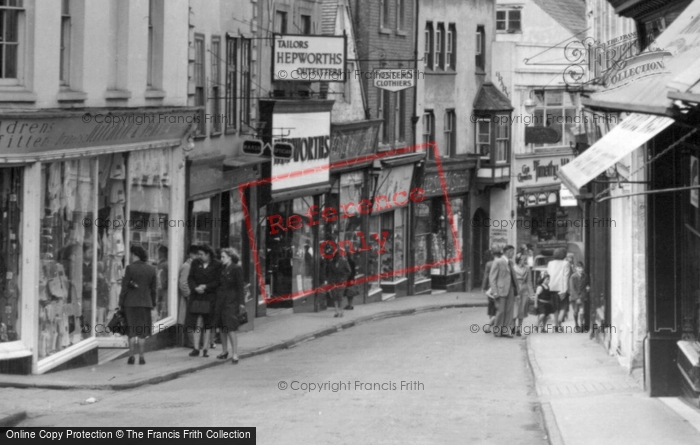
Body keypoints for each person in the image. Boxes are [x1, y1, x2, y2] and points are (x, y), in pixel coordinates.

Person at [118, 245, 157, 365]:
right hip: (145, 304)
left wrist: (120, 303)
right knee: (142, 331)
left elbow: (124, 288)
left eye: (131, 254)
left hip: (130, 303)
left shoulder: (130, 268)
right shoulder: (152, 269)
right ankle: (141, 357)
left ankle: (131, 356)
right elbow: (153, 290)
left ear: (135, 254)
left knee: (131, 331)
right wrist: (153, 304)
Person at [187, 244, 222, 357]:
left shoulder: (217, 264)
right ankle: (196, 348)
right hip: (197, 296)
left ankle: (206, 347)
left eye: (202, 254)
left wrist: (206, 286)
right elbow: (190, 278)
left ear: (208, 254)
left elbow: (218, 281)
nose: (199, 256)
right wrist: (195, 287)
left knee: (208, 323)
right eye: (198, 254)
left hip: (209, 297)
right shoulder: (195, 263)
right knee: (197, 322)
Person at [214, 248, 245, 364]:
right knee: (222, 327)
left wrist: (241, 303)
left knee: (230, 327)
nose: (221, 259)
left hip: (231, 301)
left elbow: (240, 287)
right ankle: (224, 351)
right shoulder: (222, 268)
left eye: (223, 257)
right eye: (221, 257)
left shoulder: (236, 268)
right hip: (221, 300)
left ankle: (235, 353)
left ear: (230, 257)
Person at [489, 245, 517, 338]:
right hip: (500, 290)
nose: (513, 254)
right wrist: (494, 291)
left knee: (509, 311)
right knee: (501, 311)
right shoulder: (498, 262)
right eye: (512, 252)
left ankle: (506, 331)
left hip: (511, 289)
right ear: (508, 251)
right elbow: (492, 278)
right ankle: (497, 330)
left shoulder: (511, 262)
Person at [177, 245, 199, 348]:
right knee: (189, 320)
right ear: (191, 254)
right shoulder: (187, 266)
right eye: (196, 254)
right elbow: (183, 283)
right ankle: (192, 343)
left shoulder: (194, 265)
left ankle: (194, 343)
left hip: (194, 298)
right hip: (189, 299)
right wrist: (189, 296)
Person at [547, 247, 571, 332]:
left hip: (552, 288)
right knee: (563, 307)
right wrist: (565, 290)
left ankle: (556, 325)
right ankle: (559, 324)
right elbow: (566, 277)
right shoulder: (566, 263)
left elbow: (548, 275)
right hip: (562, 288)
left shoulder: (550, 263)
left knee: (555, 308)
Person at [324, 244, 351, 318]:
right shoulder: (331, 262)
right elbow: (329, 273)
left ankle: (341, 311)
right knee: (335, 297)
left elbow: (349, 271)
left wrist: (343, 278)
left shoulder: (344, 261)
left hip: (341, 281)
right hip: (333, 282)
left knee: (340, 296)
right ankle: (336, 311)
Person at [513, 252, 534, 336]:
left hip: (524, 290)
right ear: (518, 260)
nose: (524, 261)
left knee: (522, 310)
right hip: (515, 290)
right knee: (515, 310)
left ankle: (519, 329)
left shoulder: (527, 268)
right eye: (522, 259)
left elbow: (529, 281)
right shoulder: (513, 268)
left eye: (524, 259)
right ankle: (513, 327)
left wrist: (531, 293)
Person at [569, 262, 590, 330]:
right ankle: (576, 324)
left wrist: (587, 287)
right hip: (575, 297)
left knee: (582, 311)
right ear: (576, 268)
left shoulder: (585, 276)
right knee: (576, 311)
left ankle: (581, 326)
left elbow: (587, 283)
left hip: (582, 296)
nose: (580, 269)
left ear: (583, 268)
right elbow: (572, 288)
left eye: (581, 268)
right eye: (578, 268)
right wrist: (576, 298)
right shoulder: (573, 276)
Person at [481, 250, 496, 332]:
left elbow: (486, 276)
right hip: (496, 286)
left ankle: (491, 324)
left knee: (491, 307)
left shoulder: (489, 264)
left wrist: (483, 287)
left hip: (490, 286)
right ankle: (491, 325)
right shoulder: (500, 262)